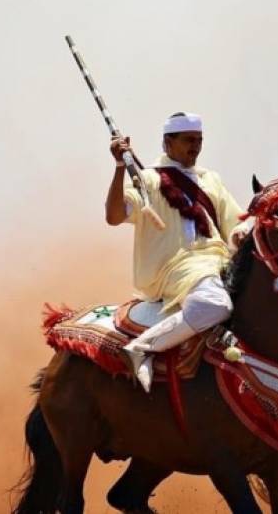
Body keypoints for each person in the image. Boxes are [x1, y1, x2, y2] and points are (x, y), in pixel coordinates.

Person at [106, 112, 249, 392]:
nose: (195, 146)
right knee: (215, 304)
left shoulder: (211, 180)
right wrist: (120, 168)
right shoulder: (148, 180)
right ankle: (142, 348)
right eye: (188, 140)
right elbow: (113, 216)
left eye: (199, 140)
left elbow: (235, 225)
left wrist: (243, 233)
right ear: (167, 143)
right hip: (174, 267)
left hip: (217, 262)